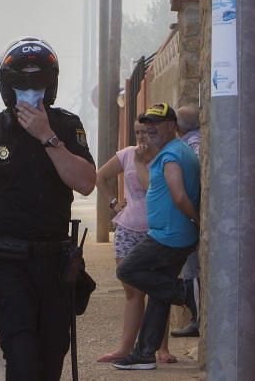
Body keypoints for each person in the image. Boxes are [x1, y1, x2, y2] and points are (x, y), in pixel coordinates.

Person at [0, 37, 96, 381]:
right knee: (22, 355)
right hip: (9, 261)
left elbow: (86, 182)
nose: (31, 91)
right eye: (21, 83)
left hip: (56, 262)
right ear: (7, 87)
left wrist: (47, 136)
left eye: (39, 83)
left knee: (52, 354)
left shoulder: (66, 126)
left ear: (51, 85)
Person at [113, 103, 200, 371]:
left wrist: (197, 220)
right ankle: (145, 354)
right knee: (157, 293)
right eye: (147, 124)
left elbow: (179, 195)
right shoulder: (175, 150)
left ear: (172, 126)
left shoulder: (171, 155)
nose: (150, 129)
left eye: (157, 124)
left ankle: (185, 292)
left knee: (127, 270)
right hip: (171, 233)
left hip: (168, 236)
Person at [95, 117, 177, 364]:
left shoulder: (165, 157)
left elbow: (153, 189)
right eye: (137, 132)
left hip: (156, 230)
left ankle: (160, 348)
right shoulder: (127, 155)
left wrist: (143, 162)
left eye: (147, 132)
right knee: (132, 291)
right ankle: (125, 347)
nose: (141, 137)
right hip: (128, 227)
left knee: (157, 288)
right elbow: (99, 176)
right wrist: (113, 203)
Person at [170, 104, 201, 339]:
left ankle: (196, 319)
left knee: (192, 270)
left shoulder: (187, 147)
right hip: (193, 213)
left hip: (191, 214)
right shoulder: (198, 142)